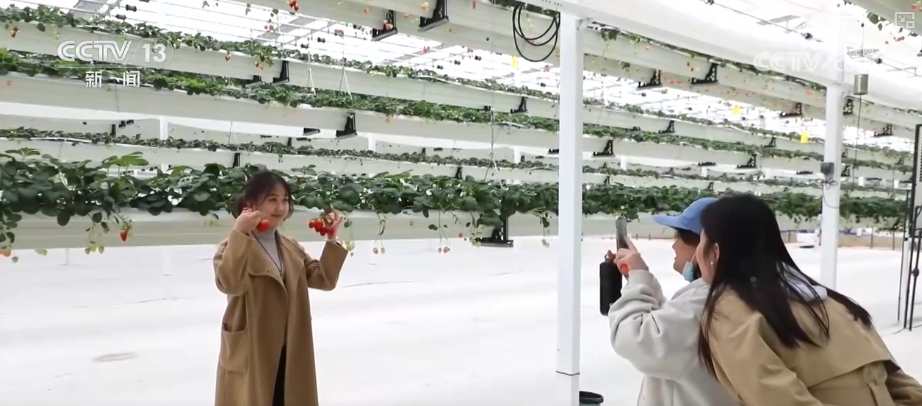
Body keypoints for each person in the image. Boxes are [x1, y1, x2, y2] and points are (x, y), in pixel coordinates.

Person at [695, 193, 922, 406]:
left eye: (700, 241)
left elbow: (778, 399)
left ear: (715, 252)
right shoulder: (834, 303)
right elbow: (903, 386)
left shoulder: (729, 310)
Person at [212, 170, 349, 406]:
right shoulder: (232, 246)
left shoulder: (290, 246)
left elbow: (324, 279)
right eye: (272, 200)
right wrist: (239, 233)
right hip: (253, 349)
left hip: (290, 347)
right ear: (251, 204)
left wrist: (331, 239)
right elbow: (230, 284)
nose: (280, 207)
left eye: (285, 200)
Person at [608, 197, 738, 406]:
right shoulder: (732, 292)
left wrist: (638, 281)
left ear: (707, 247)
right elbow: (672, 330)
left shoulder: (705, 301)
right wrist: (641, 279)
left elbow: (634, 337)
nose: (674, 245)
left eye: (680, 237)